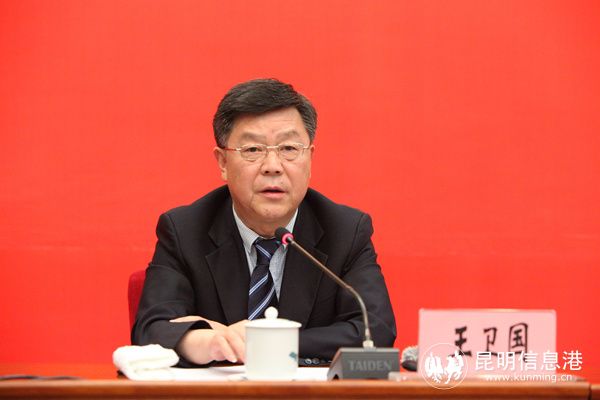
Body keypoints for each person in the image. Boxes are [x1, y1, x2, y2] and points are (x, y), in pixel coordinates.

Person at [132, 78, 396, 366]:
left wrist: (266, 341)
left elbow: (376, 330)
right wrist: (207, 342)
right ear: (223, 162)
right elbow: (151, 329)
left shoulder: (345, 231)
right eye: (253, 150)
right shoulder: (185, 230)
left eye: (289, 148)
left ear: (310, 158)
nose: (273, 166)